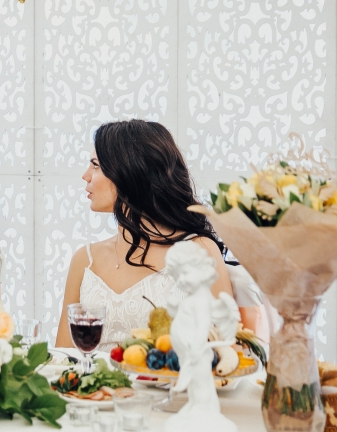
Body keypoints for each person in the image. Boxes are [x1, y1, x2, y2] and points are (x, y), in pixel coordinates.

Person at [55, 119, 258, 348]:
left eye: (95, 165)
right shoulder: (84, 260)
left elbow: (225, 349)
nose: (85, 175)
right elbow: (64, 357)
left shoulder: (199, 251)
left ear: (129, 172)